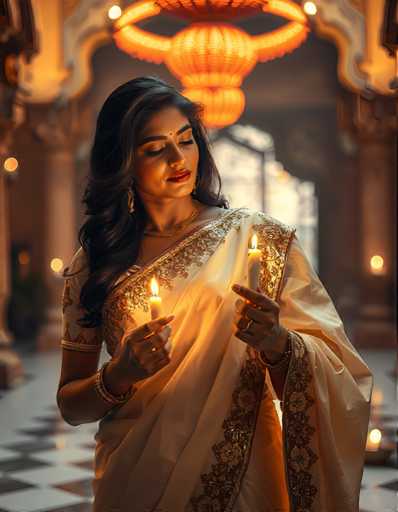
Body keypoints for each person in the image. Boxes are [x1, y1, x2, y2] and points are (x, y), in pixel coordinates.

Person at [57, 76, 373, 512]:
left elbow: (342, 373)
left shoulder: (259, 238)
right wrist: (120, 374)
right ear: (123, 162)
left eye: (185, 140)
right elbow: (71, 406)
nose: (178, 157)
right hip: (135, 476)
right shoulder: (93, 263)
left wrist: (278, 344)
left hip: (245, 476)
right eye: (155, 148)